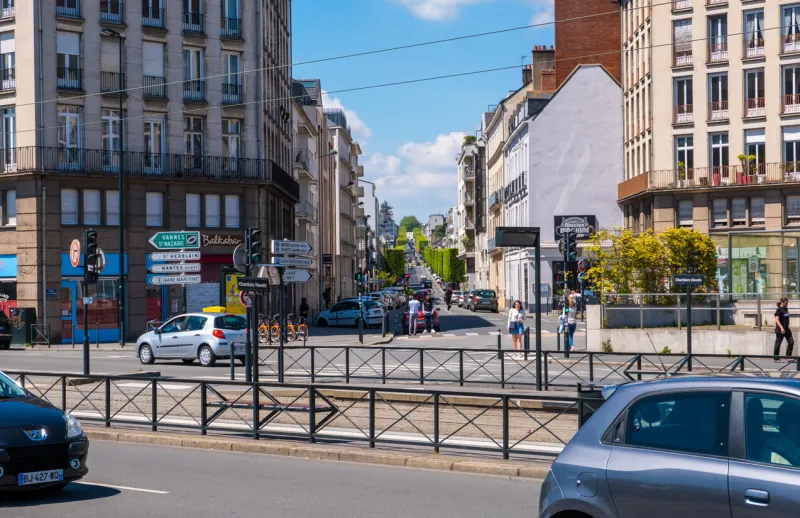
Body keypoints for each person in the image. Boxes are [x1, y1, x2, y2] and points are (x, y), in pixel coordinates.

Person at [775, 297, 795, 362]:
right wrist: (781, 328)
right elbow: (777, 320)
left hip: (786, 329)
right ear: (782, 303)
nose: (787, 304)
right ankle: (776, 358)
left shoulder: (786, 309)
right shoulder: (779, 309)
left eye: (787, 303)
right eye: (786, 303)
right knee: (778, 343)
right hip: (780, 329)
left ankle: (788, 357)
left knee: (791, 342)